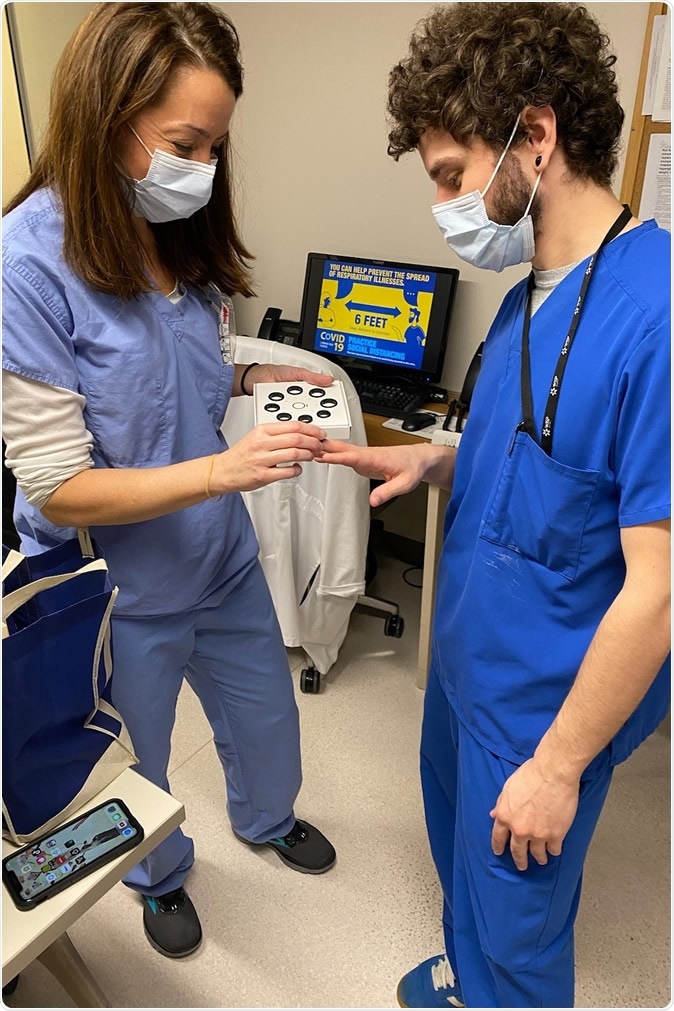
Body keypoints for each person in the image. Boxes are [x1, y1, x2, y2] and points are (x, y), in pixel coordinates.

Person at [318, 3, 671, 1007]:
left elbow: (658, 590)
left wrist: (557, 765)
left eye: (448, 173)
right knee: (460, 857)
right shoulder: (525, 295)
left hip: (543, 708)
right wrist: (435, 465)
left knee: (519, 921)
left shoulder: (657, 313)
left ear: (537, 135)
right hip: (466, 664)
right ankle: (466, 976)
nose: (441, 204)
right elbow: (527, 453)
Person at [2, 2, 337, 961]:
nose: (206, 165)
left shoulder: (175, 232)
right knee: (135, 770)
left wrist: (247, 376)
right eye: (187, 141)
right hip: (117, 596)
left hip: (219, 564)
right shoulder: (27, 264)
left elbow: (170, 366)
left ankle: (266, 818)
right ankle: (157, 875)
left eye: (218, 143)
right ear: (110, 116)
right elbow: (59, 486)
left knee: (268, 721)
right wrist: (221, 471)